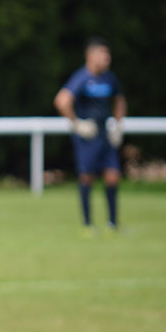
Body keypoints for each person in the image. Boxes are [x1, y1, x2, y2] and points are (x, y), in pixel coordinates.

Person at [54, 36, 127, 233]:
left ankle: (113, 223)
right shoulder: (82, 77)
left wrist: (118, 125)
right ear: (91, 55)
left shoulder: (110, 78)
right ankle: (88, 224)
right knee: (87, 177)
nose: (107, 58)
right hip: (88, 136)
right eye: (103, 54)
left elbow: (120, 101)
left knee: (113, 176)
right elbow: (62, 100)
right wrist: (77, 124)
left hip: (105, 134)